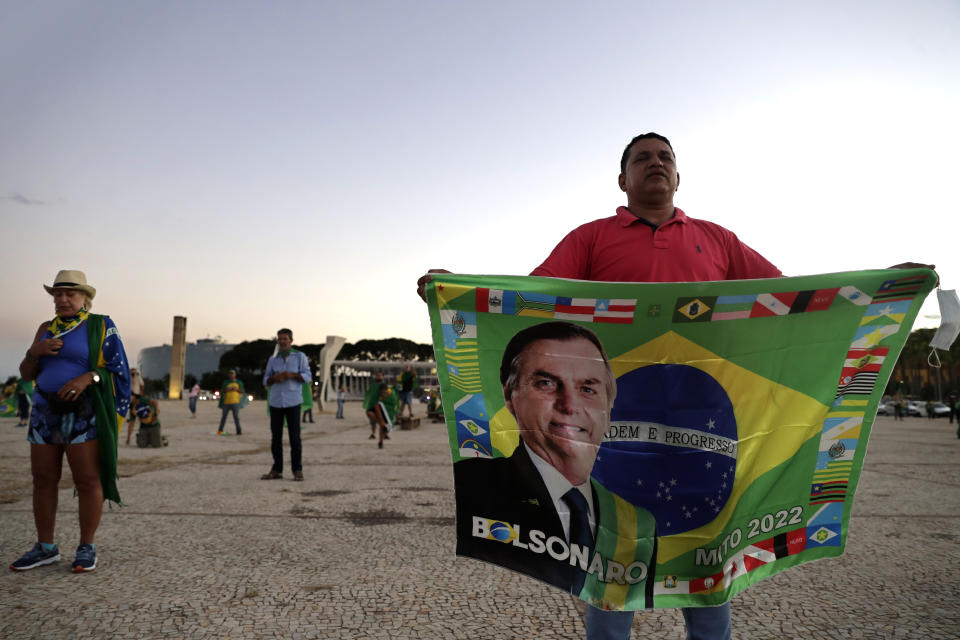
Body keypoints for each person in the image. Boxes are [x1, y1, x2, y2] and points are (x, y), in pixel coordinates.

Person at [455, 322, 656, 605]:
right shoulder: (475, 486)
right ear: (510, 397)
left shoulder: (639, 524)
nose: (570, 405)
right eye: (546, 383)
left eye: (588, 389)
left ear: (609, 409)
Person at [10, 270, 130, 573]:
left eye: (70, 294)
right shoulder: (45, 328)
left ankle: (86, 546)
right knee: (43, 479)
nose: (62, 299)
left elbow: (117, 370)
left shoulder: (100, 326)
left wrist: (88, 376)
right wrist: (34, 351)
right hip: (44, 412)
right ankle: (45, 548)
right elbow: (26, 374)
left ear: (85, 299)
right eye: (57, 294)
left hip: (83, 412)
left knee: (87, 479)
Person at [262, 328, 311, 481]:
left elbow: (307, 376)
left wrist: (292, 375)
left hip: (293, 401)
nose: (282, 341)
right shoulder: (273, 359)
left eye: (285, 339)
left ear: (291, 340)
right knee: (275, 437)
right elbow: (265, 380)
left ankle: (297, 470)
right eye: (280, 339)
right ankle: (277, 469)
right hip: (276, 401)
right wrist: (273, 378)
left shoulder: (299, 356)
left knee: (294, 438)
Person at [367, 381, 398, 449]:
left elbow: (394, 406)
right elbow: (373, 406)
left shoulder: (392, 395)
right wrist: (381, 420)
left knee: (382, 426)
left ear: (387, 390)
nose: (383, 394)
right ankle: (382, 424)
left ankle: (381, 442)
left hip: (388, 411)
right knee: (370, 412)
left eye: (384, 392)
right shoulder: (376, 395)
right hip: (377, 409)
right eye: (381, 393)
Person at [217, 370, 245, 435]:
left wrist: (236, 389)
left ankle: (239, 431)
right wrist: (228, 389)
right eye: (230, 374)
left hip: (235, 402)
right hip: (226, 402)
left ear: (235, 375)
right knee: (223, 417)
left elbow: (242, 391)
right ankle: (220, 430)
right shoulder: (226, 382)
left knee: (236, 417)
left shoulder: (239, 382)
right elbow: (223, 391)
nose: (231, 375)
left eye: (232, 374)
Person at [363, 373, 388, 439]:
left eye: (380, 376)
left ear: (383, 377)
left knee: (382, 419)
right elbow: (368, 394)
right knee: (372, 421)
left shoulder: (384, 385)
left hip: (381, 405)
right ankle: (373, 433)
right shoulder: (373, 385)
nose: (379, 377)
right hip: (372, 404)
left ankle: (384, 434)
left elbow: (386, 395)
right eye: (378, 376)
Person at [126, 367, 144, 445]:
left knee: (140, 419)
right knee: (132, 421)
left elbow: (142, 385)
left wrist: (140, 394)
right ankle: (128, 438)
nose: (133, 374)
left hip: (137, 398)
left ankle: (141, 436)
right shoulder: (127, 377)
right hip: (131, 399)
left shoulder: (138, 377)